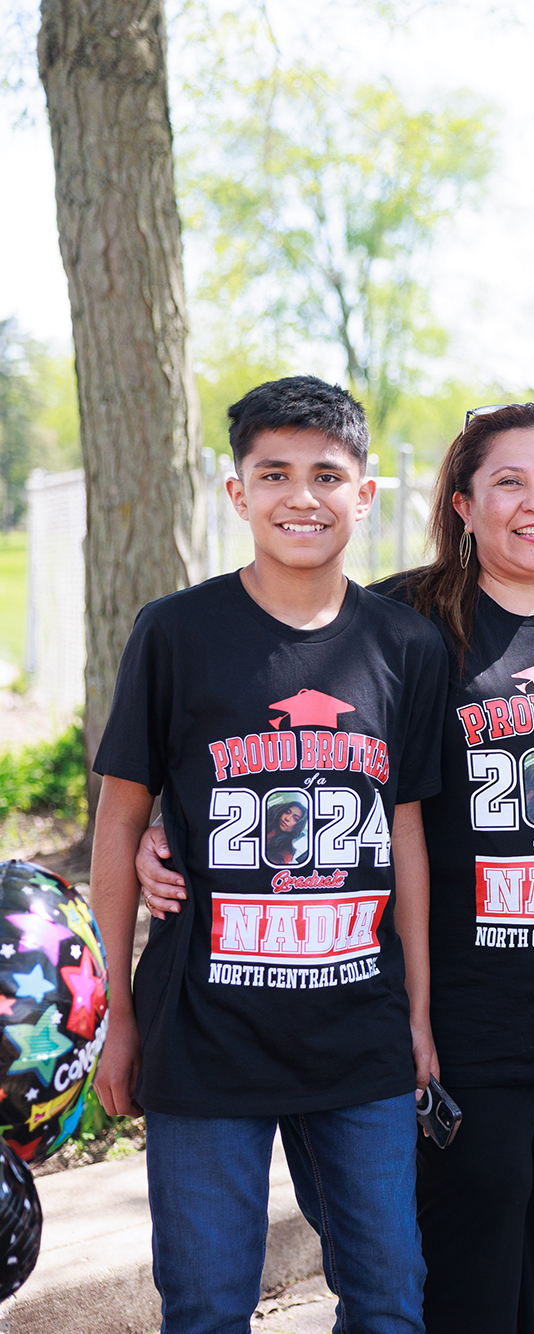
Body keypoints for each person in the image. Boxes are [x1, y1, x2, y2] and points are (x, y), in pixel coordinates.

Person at [137, 402, 534, 1333]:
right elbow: (276, 719)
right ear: (462, 505)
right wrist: (167, 821)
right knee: (464, 1269)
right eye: (507, 482)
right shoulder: (408, 618)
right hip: (466, 1013)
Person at [91, 376, 449, 1333]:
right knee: (208, 1304)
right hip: (205, 1029)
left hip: (360, 1032)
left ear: (363, 495)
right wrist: (119, 1013)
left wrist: (417, 1015)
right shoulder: (175, 633)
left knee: (389, 1297)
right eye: (274, 474)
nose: (302, 497)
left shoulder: (405, 645)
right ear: (237, 493)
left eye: (326, 475)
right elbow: (120, 825)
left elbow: (407, 834)